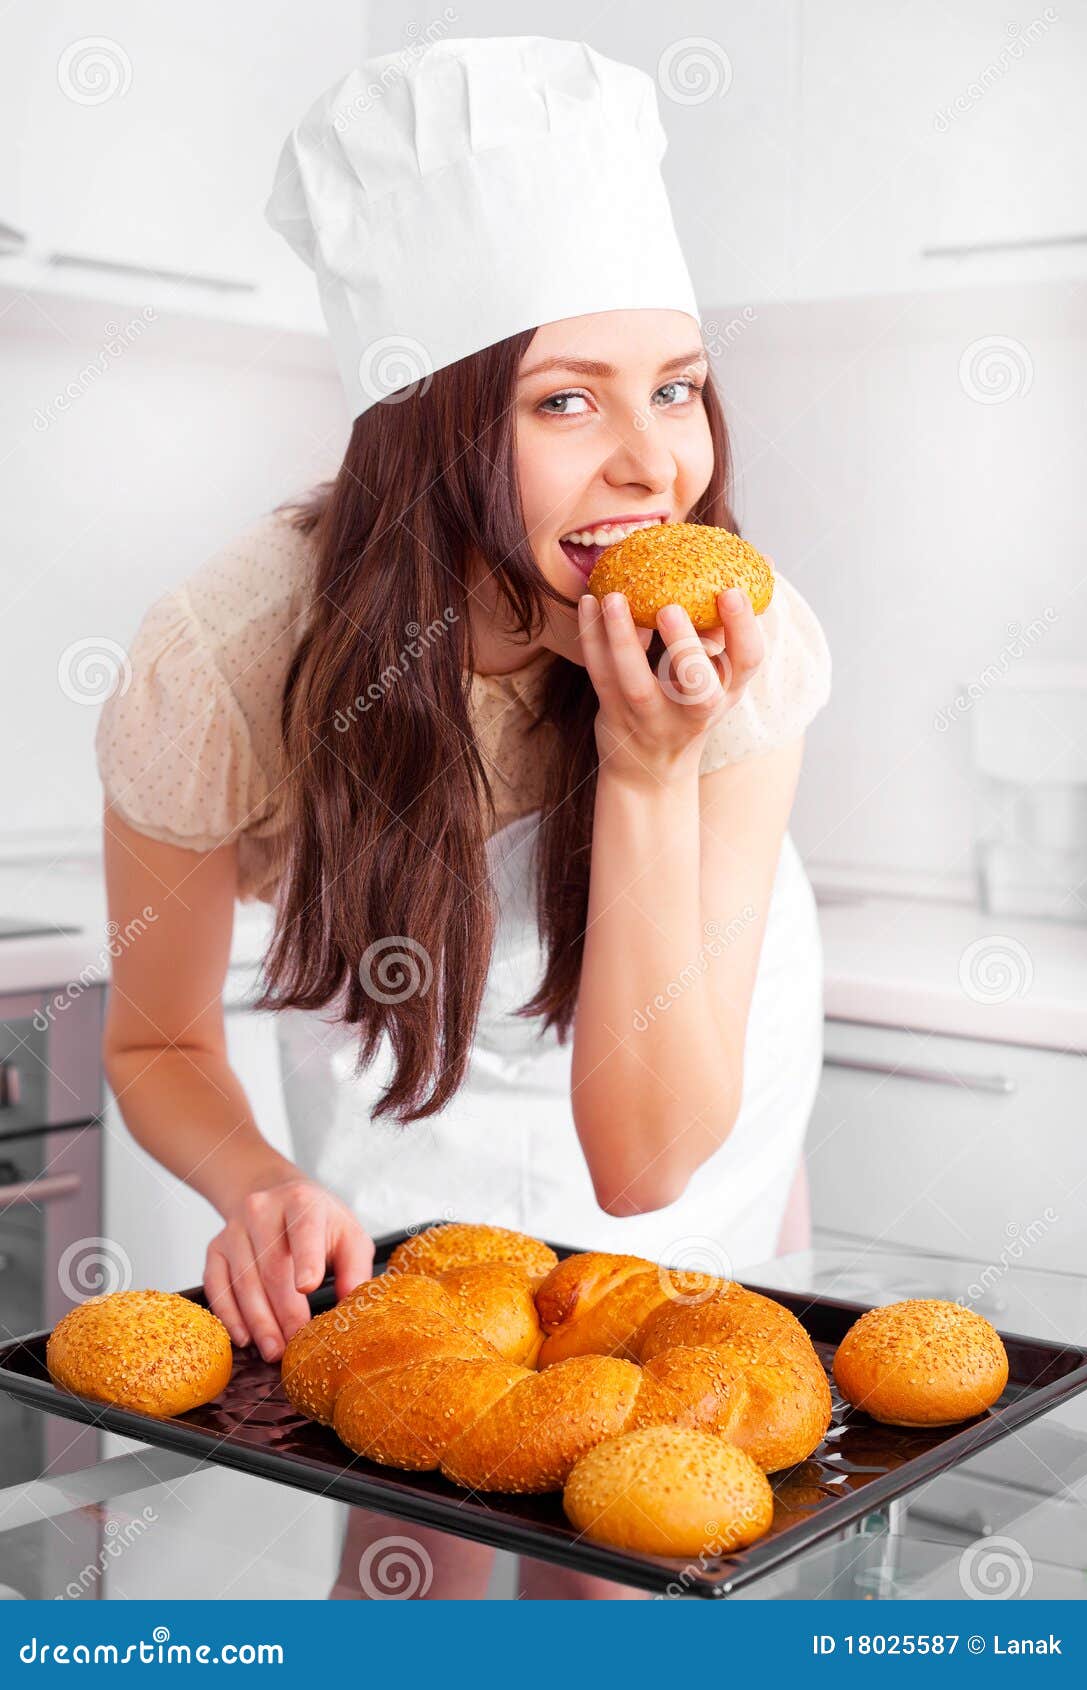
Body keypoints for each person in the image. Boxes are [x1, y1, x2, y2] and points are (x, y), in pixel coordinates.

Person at [96, 37, 832, 1601]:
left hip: (679, 1057)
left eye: (678, 389)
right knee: (410, 1486)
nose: (658, 468)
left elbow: (646, 1162)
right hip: (405, 1067)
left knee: (634, 1520)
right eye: (566, 399)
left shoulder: (743, 654)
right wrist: (256, 1184)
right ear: (422, 426)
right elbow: (157, 1044)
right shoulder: (224, 665)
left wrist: (644, 769)